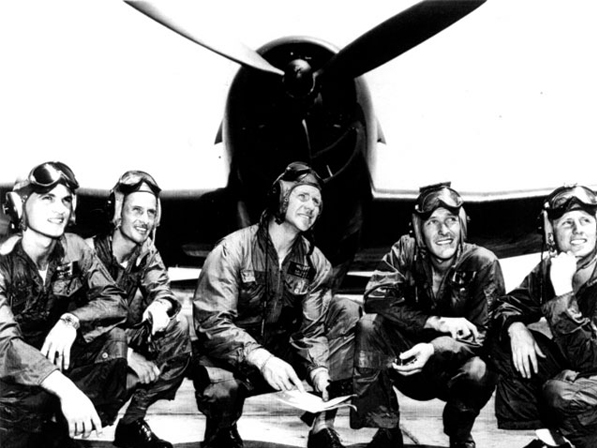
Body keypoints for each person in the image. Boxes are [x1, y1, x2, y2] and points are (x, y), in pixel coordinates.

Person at [191, 161, 360, 448]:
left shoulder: (315, 262)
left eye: (317, 201)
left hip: (282, 355)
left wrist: (318, 369)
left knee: (346, 310)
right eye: (303, 197)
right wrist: (262, 359)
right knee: (221, 392)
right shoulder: (232, 250)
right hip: (232, 357)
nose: (311, 206)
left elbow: (312, 330)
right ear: (281, 198)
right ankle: (222, 429)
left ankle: (322, 426)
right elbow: (213, 323)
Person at [351, 182, 505, 448]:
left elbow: (484, 334)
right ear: (419, 229)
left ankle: (459, 435)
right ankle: (387, 428)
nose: (444, 231)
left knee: (481, 369)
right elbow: (374, 297)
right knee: (368, 327)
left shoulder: (484, 263)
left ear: (462, 225)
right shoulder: (404, 251)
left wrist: (433, 349)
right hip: (407, 364)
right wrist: (433, 322)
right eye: (433, 222)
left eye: (451, 221)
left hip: (453, 370)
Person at [0, 161, 129, 447]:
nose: (59, 209)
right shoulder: (2, 264)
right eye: (47, 198)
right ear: (19, 207)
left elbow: (115, 300)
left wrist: (71, 320)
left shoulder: (75, 248)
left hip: (48, 370)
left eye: (66, 200)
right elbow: (5, 344)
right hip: (9, 381)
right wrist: (67, 390)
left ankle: (63, 428)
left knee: (114, 341)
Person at [85, 170, 191, 448]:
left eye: (150, 212)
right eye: (136, 210)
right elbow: (78, 325)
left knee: (177, 329)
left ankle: (131, 422)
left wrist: (161, 305)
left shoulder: (146, 252)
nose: (144, 220)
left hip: (114, 346)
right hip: (83, 351)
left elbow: (162, 289)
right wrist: (128, 355)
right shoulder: (86, 255)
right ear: (118, 211)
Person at [491, 185, 597, 448]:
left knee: (563, 394)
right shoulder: (551, 269)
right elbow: (506, 306)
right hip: (585, 368)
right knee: (502, 343)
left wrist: (562, 292)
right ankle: (554, 438)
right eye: (567, 223)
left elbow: (591, 357)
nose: (577, 230)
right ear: (552, 233)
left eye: (586, 220)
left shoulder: (560, 276)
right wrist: (515, 327)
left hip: (592, 366)